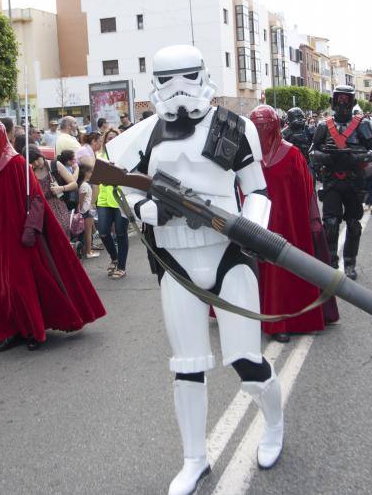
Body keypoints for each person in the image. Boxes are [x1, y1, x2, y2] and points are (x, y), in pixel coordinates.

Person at [107, 44, 284, 494]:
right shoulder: (142, 135)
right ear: (155, 83)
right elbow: (125, 191)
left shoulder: (236, 127)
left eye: (188, 77)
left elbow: (258, 190)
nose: (179, 89)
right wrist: (152, 210)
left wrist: (252, 228)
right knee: (186, 367)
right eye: (168, 80)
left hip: (229, 254)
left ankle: (274, 427)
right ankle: (194, 459)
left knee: (245, 359)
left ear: (203, 75)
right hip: (175, 261)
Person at [0, 117, 105, 352]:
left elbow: (36, 199)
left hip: (18, 236)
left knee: (22, 284)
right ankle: (7, 329)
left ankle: (33, 328)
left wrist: (30, 228)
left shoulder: (16, 164)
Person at [249, 105, 338, 344]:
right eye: (257, 126)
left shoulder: (292, 154)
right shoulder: (247, 157)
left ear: (276, 125)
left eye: (266, 126)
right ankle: (269, 320)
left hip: (290, 224)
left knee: (292, 269)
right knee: (260, 271)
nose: (262, 131)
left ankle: (298, 319)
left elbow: (307, 190)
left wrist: (312, 220)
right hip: (258, 223)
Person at [310, 85, 372, 280]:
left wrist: (356, 158)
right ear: (333, 101)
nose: (342, 104)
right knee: (330, 224)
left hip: (354, 180)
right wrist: (326, 157)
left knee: (354, 224)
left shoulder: (363, 125)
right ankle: (330, 261)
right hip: (332, 180)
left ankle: (350, 263)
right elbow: (312, 152)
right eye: (339, 99)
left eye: (346, 100)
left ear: (353, 102)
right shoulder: (324, 126)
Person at [96, 130, 128, 279]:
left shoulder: (127, 155)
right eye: (109, 138)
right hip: (103, 199)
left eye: (114, 138)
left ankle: (121, 267)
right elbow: (95, 178)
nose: (111, 141)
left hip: (121, 200)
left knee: (121, 234)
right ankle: (114, 258)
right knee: (103, 232)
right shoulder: (100, 156)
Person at [77, 164, 99, 259]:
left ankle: (88, 250)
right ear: (85, 173)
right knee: (88, 232)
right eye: (90, 172)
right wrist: (81, 210)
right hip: (86, 211)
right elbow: (81, 201)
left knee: (87, 232)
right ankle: (89, 252)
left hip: (85, 210)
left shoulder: (83, 184)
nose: (91, 174)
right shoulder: (85, 185)